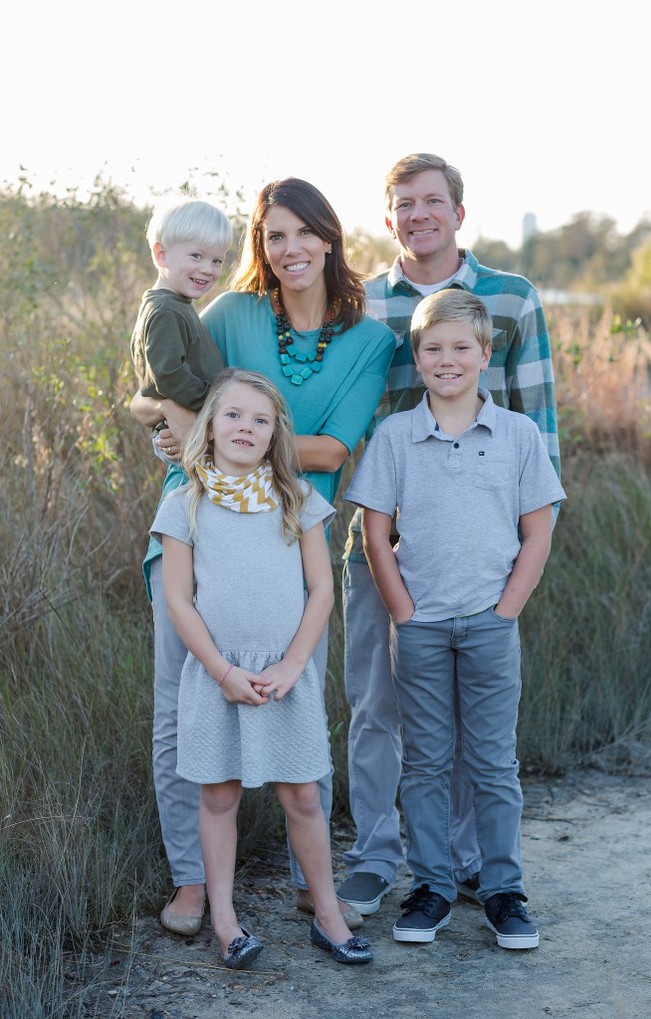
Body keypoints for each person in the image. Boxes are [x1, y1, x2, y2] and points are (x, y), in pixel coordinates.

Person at [130, 178, 395, 936]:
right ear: (261, 246)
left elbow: (337, 447)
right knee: (180, 709)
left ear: (330, 237)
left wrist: (219, 435)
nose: (289, 249)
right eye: (274, 236)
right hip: (195, 529)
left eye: (303, 232)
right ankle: (191, 878)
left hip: (289, 544)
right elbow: (154, 385)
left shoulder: (369, 341)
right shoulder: (232, 311)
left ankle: (317, 884)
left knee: (298, 699)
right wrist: (176, 428)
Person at [338, 152, 561, 918]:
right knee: (376, 705)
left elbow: (540, 424)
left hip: (481, 545)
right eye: (405, 202)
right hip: (384, 541)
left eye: (434, 200)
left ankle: (468, 864)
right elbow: (334, 411)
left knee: (470, 722)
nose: (420, 214)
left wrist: (519, 568)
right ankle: (375, 854)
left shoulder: (512, 298)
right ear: (388, 214)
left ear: (459, 213)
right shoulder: (360, 304)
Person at [151, 368, 373, 968]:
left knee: (302, 794)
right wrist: (223, 672)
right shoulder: (185, 504)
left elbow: (321, 588)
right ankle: (226, 922)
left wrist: (295, 664)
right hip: (217, 676)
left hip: (284, 677)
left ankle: (326, 915)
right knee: (219, 796)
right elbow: (178, 600)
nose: (245, 427)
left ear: (275, 433)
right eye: (233, 416)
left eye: (260, 419)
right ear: (210, 426)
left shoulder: (298, 498)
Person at [130, 196, 232, 429]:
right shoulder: (166, 311)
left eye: (217, 260)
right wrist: (215, 403)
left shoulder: (174, 303)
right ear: (161, 255)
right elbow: (168, 375)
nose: (208, 269)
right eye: (197, 256)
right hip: (186, 425)